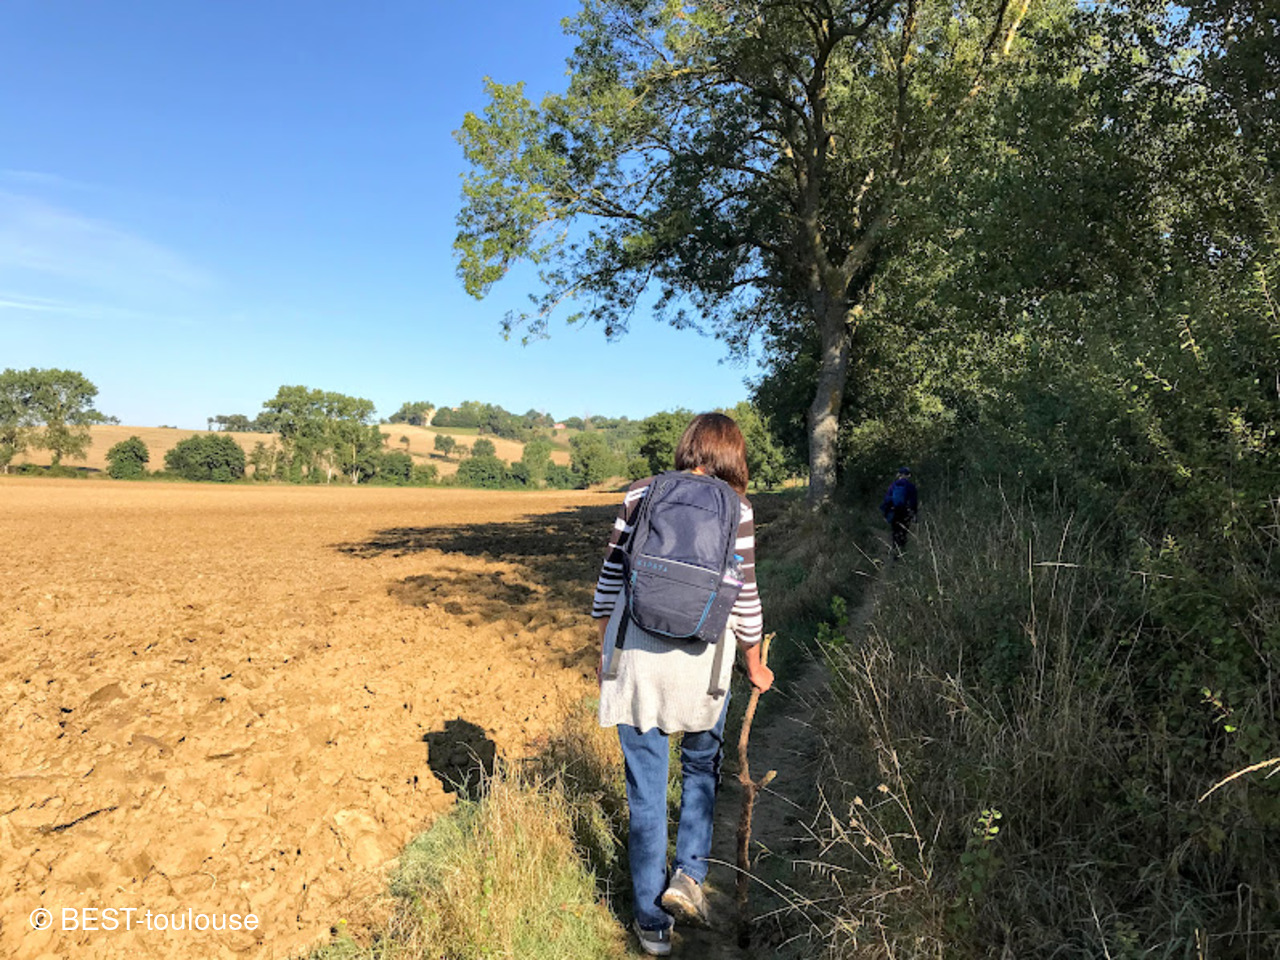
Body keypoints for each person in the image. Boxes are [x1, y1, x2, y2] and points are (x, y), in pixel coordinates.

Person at [592, 412, 774, 957]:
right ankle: (689, 876)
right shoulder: (738, 508)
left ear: (688, 446)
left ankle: (652, 927)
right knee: (700, 768)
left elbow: (609, 580)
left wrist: (606, 652)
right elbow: (745, 598)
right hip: (704, 665)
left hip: (636, 659)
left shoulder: (640, 493)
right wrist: (755, 664)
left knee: (645, 793)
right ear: (734, 456)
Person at [880, 466, 919, 553]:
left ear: (899, 475)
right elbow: (913, 502)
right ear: (908, 475)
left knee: (895, 531)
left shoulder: (893, 486)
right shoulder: (911, 486)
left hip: (894, 512)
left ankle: (895, 551)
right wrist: (914, 514)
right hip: (905, 512)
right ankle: (903, 551)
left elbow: (887, 500)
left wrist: (885, 513)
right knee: (904, 531)